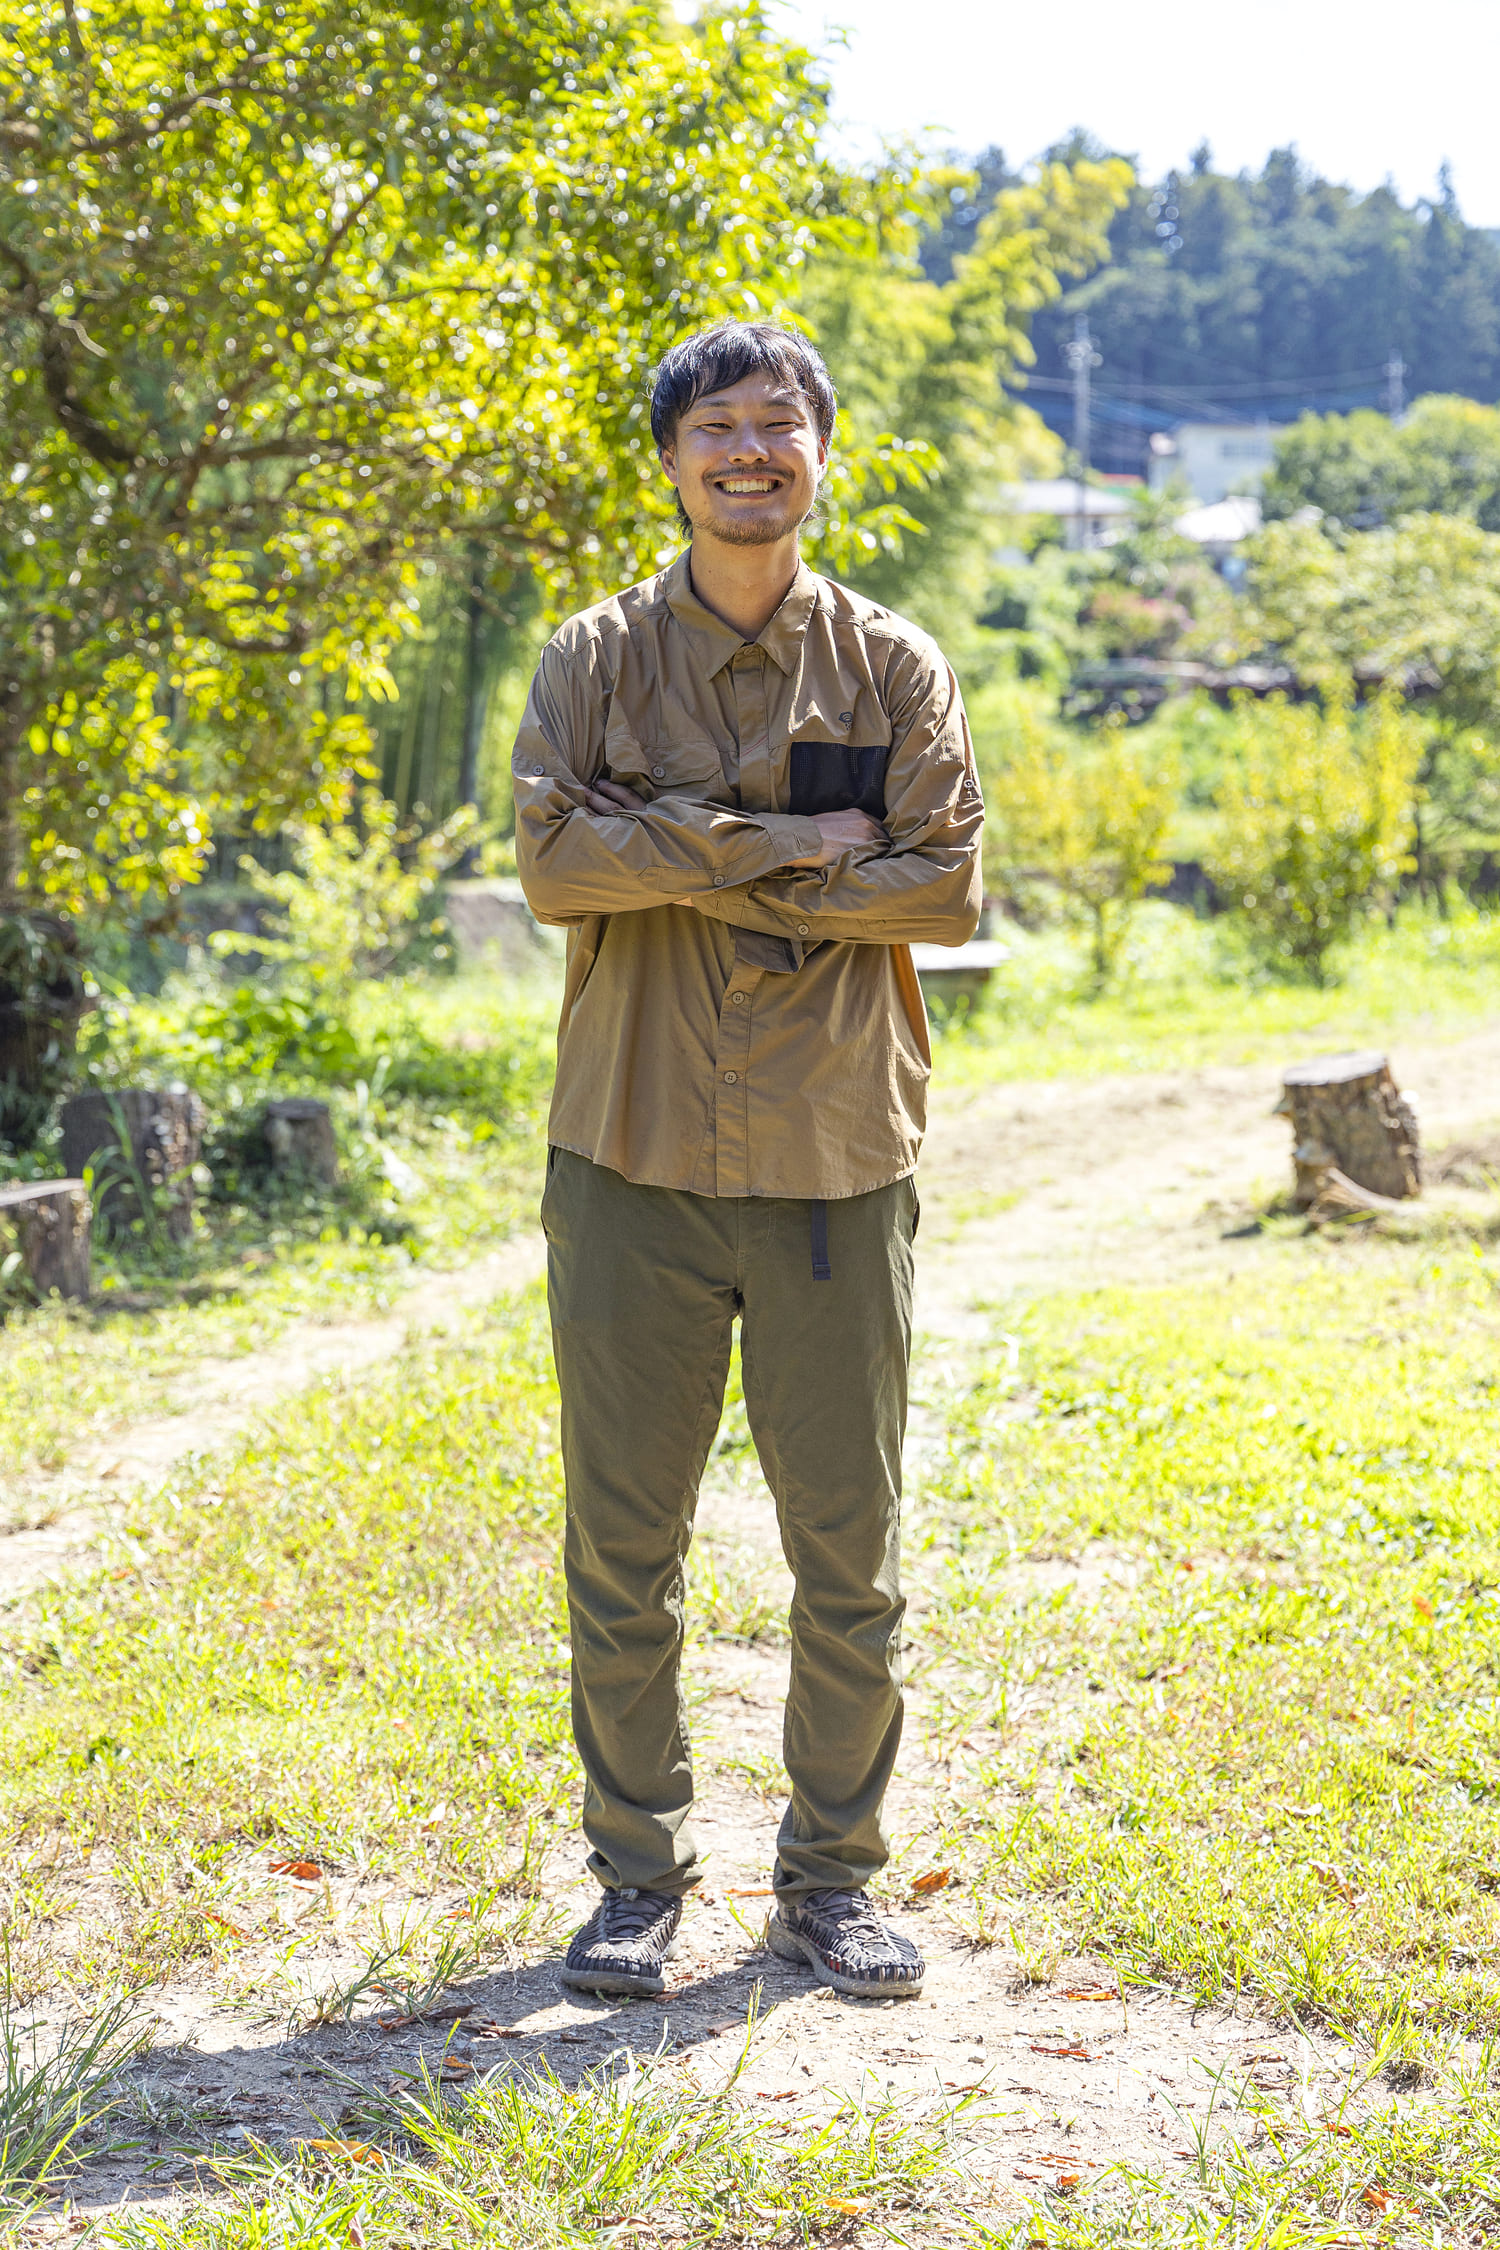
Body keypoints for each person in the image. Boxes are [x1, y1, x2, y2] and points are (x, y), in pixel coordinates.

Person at [512, 320, 983, 2003]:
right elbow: (556, 862)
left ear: (821, 451)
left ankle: (830, 1885)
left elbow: (945, 888)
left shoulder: (892, 668)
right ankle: (636, 1882)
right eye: (718, 427)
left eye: (778, 425)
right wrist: (786, 848)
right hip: (629, 1154)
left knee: (845, 1553)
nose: (749, 452)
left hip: (835, 1160)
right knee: (621, 1548)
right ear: (674, 458)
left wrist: (675, 856)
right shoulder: (592, 657)